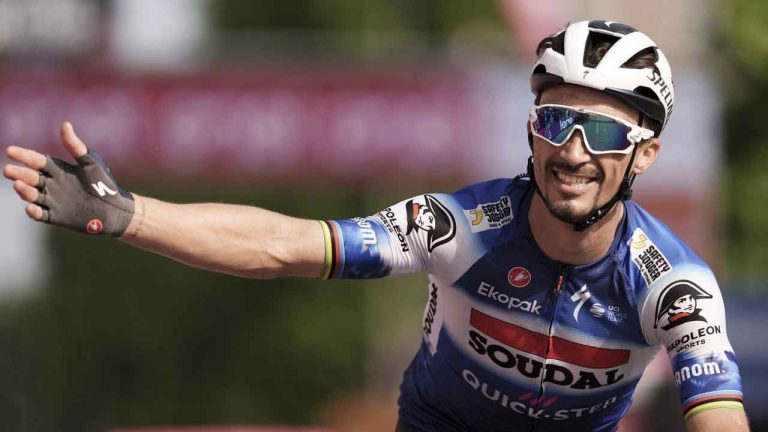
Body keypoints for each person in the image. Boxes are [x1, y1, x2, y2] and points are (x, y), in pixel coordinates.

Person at [2, 20, 749, 432]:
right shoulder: (457, 225)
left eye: (607, 135)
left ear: (646, 154)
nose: (576, 153)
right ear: (532, 129)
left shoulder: (671, 283)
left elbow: (717, 415)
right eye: (558, 121)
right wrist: (130, 215)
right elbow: (285, 245)